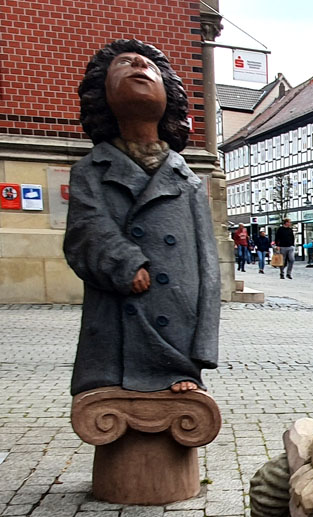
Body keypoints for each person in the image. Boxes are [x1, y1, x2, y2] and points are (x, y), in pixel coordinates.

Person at [63, 39, 219, 394]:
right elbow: (85, 230)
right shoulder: (91, 170)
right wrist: (125, 263)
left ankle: (177, 366)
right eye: (126, 64)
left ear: (169, 96)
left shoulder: (187, 180)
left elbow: (209, 270)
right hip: (115, 339)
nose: (138, 67)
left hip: (176, 339)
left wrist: (203, 350)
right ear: (102, 94)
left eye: (148, 66)